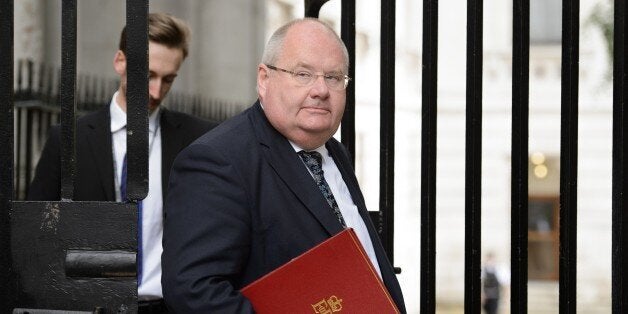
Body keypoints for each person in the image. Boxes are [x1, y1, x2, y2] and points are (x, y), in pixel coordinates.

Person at [161, 18, 406, 313]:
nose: (321, 90)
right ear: (264, 79)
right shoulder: (218, 160)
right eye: (303, 74)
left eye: (334, 77)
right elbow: (194, 291)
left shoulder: (334, 152)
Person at [27, 13, 216, 313]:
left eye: (168, 80)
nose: (156, 91)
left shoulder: (198, 139)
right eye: (148, 75)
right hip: (90, 305)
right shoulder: (69, 139)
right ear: (120, 62)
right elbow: (38, 233)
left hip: (169, 305)